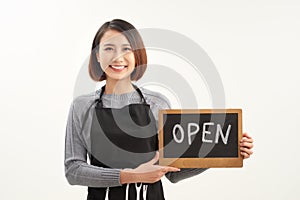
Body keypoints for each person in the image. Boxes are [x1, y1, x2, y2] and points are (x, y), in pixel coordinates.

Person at [64, 19, 254, 200]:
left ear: (136, 55)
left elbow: (172, 171)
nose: (118, 57)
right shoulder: (82, 106)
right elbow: (73, 170)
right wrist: (130, 176)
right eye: (108, 48)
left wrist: (224, 151)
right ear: (97, 55)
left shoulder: (157, 104)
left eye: (126, 49)